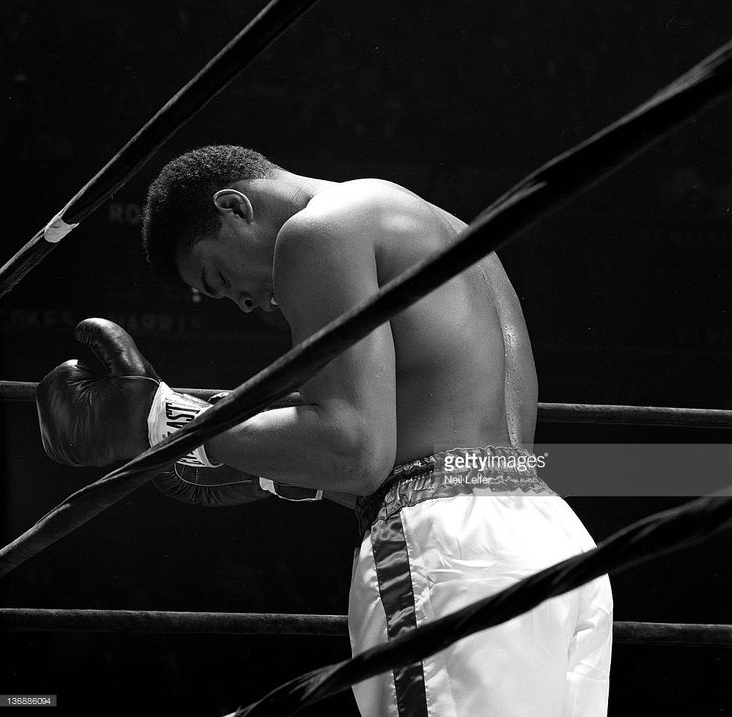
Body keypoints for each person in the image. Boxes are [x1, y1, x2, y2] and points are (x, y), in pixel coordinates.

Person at [37, 145, 612, 716]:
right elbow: (425, 453)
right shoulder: (443, 228)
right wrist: (273, 473)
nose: (240, 302)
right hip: (553, 538)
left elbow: (356, 450)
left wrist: (166, 424)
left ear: (235, 207)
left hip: (452, 557)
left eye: (217, 277)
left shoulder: (317, 232)